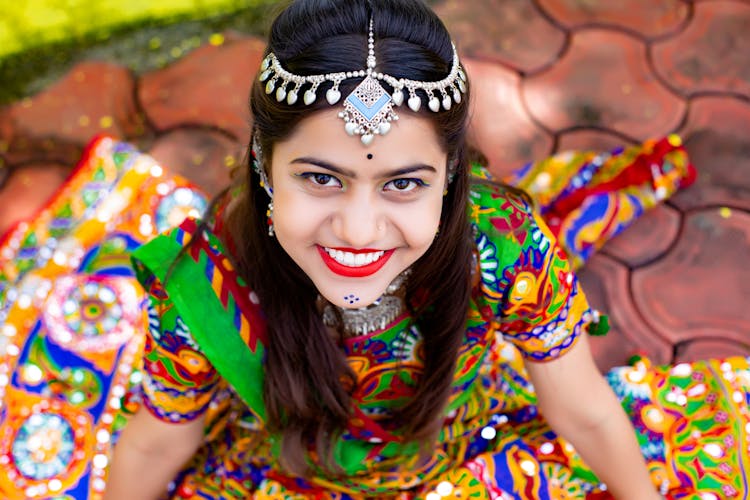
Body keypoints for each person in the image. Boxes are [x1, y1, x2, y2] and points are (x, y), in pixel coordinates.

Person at [103, 1, 746, 499]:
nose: (358, 232)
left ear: (450, 181)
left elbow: (583, 412)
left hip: (470, 451)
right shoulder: (207, 287)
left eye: (403, 184)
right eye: (321, 178)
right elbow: (158, 443)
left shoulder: (500, 248)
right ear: (265, 169)